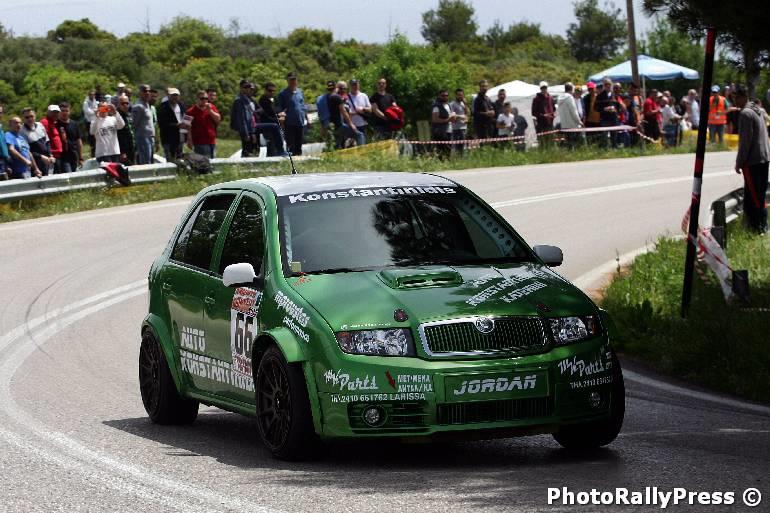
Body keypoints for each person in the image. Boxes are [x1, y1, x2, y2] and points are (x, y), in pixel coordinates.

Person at [734, 84, 770, 234]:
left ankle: (758, 228)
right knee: (760, 195)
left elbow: (745, 142)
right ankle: (762, 225)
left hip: (753, 161)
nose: (735, 101)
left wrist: (739, 162)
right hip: (764, 158)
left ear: (743, 97)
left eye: (736, 98)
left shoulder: (745, 113)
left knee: (753, 197)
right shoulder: (758, 110)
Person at [275, 72, 309, 155]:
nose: (293, 81)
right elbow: (280, 109)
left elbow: (303, 106)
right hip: (289, 123)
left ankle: (299, 159)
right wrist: (282, 122)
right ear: (287, 80)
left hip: (300, 122)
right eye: (291, 80)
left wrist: (307, 119)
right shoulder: (283, 94)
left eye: (294, 79)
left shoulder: (300, 92)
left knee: (299, 145)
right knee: (291, 146)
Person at [186, 90, 220, 158]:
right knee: (203, 162)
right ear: (197, 99)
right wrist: (189, 140)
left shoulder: (212, 107)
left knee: (213, 162)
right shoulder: (190, 111)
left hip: (211, 141)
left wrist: (210, 111)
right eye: (202, 98)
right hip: (199, 142)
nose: (204, 100)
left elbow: (218, 119)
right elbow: (186, 126)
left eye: (206, 98)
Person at [20, 108, 54, 176]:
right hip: (34, 163)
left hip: (46, 160)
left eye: (31, 116)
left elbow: (47, 142)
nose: (30, 119)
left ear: (35, 116)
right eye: (27, 117)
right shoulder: (21, 131)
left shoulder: (40, 125)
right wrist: (41, 156)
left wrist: (50, 155)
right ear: (23, 118)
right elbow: (27, 150)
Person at [157, 87, 187, 161]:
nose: (175, 97)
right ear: (168, 96)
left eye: (176, 95)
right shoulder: (163, 107)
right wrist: (176, 125)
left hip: (180, 137)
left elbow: (185, 117)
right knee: (170, 160)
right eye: (173, 95)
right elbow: (161, 123)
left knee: (180, 159)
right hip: (168, 139)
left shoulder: (181, 105)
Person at [231, 80, 258, 157]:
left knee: (251, 150)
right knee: (246, 150)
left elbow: (251, 117)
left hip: (250, 128)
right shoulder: (239, 101)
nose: (248, 88)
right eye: (245, 87)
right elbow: (241, 118)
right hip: (245, 129)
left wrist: (253, 131)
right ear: (241, 88)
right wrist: (246, 133)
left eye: (249, 86)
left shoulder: (248, 99)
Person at [328, 81, 357, 149]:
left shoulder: (347, 97)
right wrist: (351, 124)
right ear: (338, 88)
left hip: (347, 123)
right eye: (342, 88)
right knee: (340, 144)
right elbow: (343, 112)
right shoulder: (335, 97)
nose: (344, 90)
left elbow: (347, 110)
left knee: (349, 143)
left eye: (345, 88)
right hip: (340, 125)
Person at [258, 82, 285, 156]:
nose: (272, 92)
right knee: (271, 143)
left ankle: (277, 155)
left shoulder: (274, 99)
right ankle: (271, 157)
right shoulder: (263, 100)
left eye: (273, 91)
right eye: (270, 90)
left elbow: (278, 109)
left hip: (276, 124)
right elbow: (267, 114)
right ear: (265, 90)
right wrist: (278, 118)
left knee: (276, 142)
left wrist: (281, 114)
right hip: (267, 125)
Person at [596, 78, 623, 148]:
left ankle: (614, 149)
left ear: (611, 85)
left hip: (614, 118)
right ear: (603, 86)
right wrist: (604, 109)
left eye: (609, 84)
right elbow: (596, 108)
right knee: (604, 136)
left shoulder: (615, 95)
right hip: (604, 119)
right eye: (606, 84)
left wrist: (616, 111)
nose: (608, 86)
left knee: (614, 136)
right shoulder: (599, 96)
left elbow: (619, 107)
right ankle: (605, 150)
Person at [56, 102, 83, 172]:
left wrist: (81, 157)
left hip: (74, 155)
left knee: (74, 174)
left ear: (70, 112)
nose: (64, 113)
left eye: (66, 111)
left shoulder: (74, 124)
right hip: (62, 157)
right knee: (68, 174)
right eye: (62, 111)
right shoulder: (55, 124)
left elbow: (79, 141)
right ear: (59, 112)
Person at [133, 84, 156, 164]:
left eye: (149, 91)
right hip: (143, 138)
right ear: (140, 92)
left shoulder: (147, 104)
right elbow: (134, 123)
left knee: (150, 161)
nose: (148, 93)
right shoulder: (138, 106)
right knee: (145, 162)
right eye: (145, 91)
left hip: (150, 137)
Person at [431, 89, 455, 159]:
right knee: (441, 150)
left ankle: (448, 163)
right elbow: (435, 119)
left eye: (446, 95)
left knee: (448, 150)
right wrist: (448, 120)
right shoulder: (436, 106)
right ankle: (440, 163)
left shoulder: (448, 105)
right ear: (439, 96)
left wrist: (454, 117)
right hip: (440, 132)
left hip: (449, 130)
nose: (445, 97)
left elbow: (451, 117)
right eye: (443, 95)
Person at [346, 79, 371, 146]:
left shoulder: (364, 95)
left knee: (362, 145)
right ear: (350, 86)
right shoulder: (346, 97)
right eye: (353, 85)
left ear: (359, 85)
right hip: (351, 126)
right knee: (350, 147)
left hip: (363, 125)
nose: (355, 86)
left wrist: (363, 108)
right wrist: (353, 113)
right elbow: (344, 112)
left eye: (356, 84)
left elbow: (370, 109)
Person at [558, 82, 582, 148]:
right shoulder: (570, 98)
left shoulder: (559, 98)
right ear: (572, 89)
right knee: (574, 143)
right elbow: (574, 112)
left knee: (568, 142)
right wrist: (579, 122)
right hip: (572, 125)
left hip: (564, 125)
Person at [41, 105, 64, 173]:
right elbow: (44, 139)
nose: (55, 114)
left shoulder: (54, 123)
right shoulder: (45, 122)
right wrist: (49, 154)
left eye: (57, 112)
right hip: (51, 156)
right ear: (48, 112)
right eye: (53, 112)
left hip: (57, 155)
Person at [532, 81, 555, 146]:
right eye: (542, 88)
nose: (544, 89)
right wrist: (543, 115)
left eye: (545, 88)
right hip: (541, 125)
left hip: (550, 124)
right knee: (543, 143)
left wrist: (553, 114)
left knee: (551, 142)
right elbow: (534, 113)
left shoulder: (550, 97)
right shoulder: (536, 99)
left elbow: (553, 108)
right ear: (540, 89)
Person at [116, 95, 135, 165]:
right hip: (123, 150)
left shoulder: (130, 114)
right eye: (123, 103)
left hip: (132, 147)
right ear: (118, 104)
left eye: (127, 103)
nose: (125, 105)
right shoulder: (116, 116)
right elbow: (117, 136)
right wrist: (122, 152)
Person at [449, 88, 468, 155]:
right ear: (455, 95)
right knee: (457, 147)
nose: (461, 96)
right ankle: (457, 158)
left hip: (464, 127)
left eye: (462, 95)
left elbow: (467, 113)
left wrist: (465, 104)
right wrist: (462, 117)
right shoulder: (452, 104)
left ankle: (461, 158)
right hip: (456, 128)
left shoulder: (463, 103)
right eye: (459, 95)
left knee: (463, 146)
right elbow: (452, 115)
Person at [83, 90, 98, 157]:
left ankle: (96, 149)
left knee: (96, 136)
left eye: (94, 94)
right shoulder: (86, 102)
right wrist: (94, 111)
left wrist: (95, 111)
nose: (93, 96)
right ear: (89, 95)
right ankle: (92, 151)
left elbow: (96, 108)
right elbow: (87, 111)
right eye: (91, 94)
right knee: (91, 137)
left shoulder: (95, 101)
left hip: (95, 120)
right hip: (89, 121)